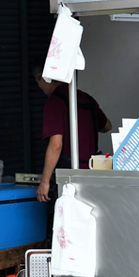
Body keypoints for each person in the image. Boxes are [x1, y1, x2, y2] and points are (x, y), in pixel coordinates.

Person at [35, 67, 112, 203]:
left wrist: (45, 181)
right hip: (92, 173)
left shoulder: (54, 101)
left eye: (38, 83)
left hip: (69, 177)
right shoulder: (86, 99)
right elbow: (107, 126)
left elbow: (56, 144)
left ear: (42, 78)